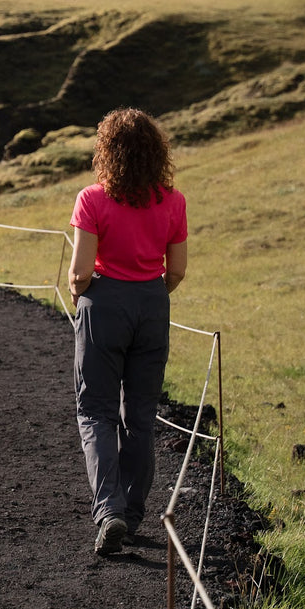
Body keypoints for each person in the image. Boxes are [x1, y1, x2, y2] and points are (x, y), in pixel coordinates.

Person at [68, 107, 187, 556]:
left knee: (95, 410)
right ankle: (133, 515)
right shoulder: (173, 201)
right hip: (153, 304)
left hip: (105, 304)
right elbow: (176, 269)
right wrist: (151, 292)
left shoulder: (92, 199)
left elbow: (79, 274)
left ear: (107, 152)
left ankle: (110, 510)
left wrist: (83, 294)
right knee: (140, 417)